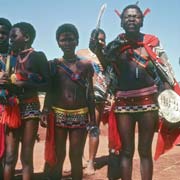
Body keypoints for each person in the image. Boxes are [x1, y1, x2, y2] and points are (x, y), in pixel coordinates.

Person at [93, 4, 180, 180]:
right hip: (124, 103)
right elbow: (107, 66)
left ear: (142, 21)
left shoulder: (152, 42)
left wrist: (168, 97)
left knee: (144, 150)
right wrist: (97, 50)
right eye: (127, 16)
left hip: (149, 102)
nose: (131, 19)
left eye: (136, 16)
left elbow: (165, 71)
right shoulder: (115, 46)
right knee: (126, 150)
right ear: (121, 22)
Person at [41, 23, 97, 180]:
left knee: (76, 155)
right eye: (63, 40)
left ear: (77, 41)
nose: (67, 43)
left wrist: (93, 119)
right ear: (58, 42)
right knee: (59, 154)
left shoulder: (86, 65)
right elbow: (50, 91)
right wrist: (45, 110)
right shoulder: (54, 65)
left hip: (80, 115)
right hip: (58, 114)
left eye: (70, 39)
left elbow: (90, 93)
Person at [2, 22, 50, 180]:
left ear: (27, 37)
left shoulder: (38, 56)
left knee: (26, 156)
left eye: (14, 36)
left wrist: (24, 83)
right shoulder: (10, 58)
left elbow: (47, 84)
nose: (10, 39)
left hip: (30, 107)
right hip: (12, 108)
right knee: (9, 156)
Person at [76, 28, 110, 175]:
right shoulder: (81, 53)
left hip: (98, 96)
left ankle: (91, 162)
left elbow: (110, 75)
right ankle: (80, 157)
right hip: (82, 95)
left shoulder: (105, 56)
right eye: (99, 39)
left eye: (104, 39)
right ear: (91, 38)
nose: (101, 42)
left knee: (93, 127)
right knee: (82, 128)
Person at [0, 17, 12, 180]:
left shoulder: (16, 53)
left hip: (11, 109)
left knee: (9, 152)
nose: (0, 35)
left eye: (3, 33)